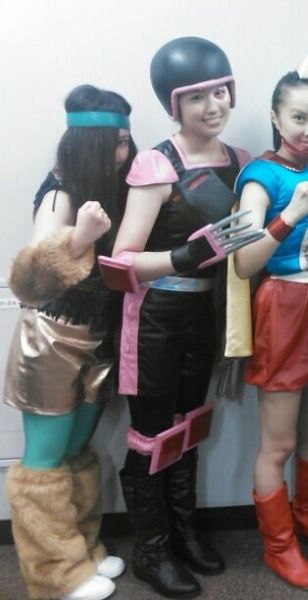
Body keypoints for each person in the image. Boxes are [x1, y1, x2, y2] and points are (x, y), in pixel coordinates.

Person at [105, 37, 258, 599]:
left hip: (206, 311)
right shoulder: (157, 163)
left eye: (219, 92)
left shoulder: (240, 161)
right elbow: (119, 263)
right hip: (154, 318)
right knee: (150, 434)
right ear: (174, 105)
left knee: (190, 425)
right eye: (196, 97)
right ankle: (151, 550)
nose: (212, 106)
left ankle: (184, 534)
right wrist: (186, 255)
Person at [4, 84, 135, 600]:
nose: (124, 152)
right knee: (45, 457)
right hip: (52, 338)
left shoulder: (111, 188)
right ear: (91, 144)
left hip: (95, 338)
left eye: (126, 141)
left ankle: (80, 555)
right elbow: (28, 279)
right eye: (116, 142)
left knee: (78, 451)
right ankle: (54, 577)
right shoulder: (60, 192)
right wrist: (79, 239)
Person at [232, 57, 308, 591]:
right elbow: (243, 263)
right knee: (277, 444)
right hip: (285, 308)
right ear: (275, 118)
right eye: (300, 118)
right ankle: (278, 546)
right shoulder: (260, 178)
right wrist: (288, 217)